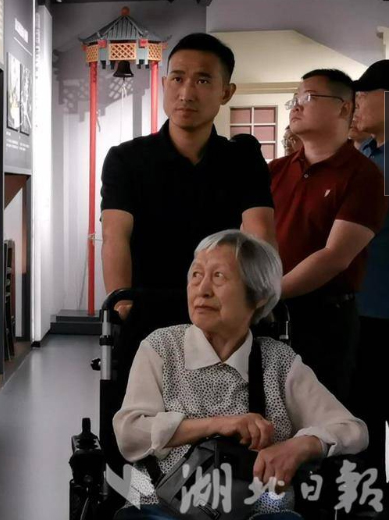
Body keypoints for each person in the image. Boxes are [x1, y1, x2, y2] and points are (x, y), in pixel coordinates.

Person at [113, 230, 368, 520]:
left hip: (258, 512)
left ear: (258, 296)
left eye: (218, 277)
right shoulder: (162, 347)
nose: (202, 289)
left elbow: (352, 429)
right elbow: (129, 434)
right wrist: (219, 424)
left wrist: (299, 446)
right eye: (196, 275)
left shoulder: (278, 362)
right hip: (163, 507)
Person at [100, 32, 276, 362]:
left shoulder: (243, 159)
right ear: (165, 83)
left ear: (226, 92)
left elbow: (260, 232)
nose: (186, 93)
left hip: (224, 311)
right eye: (178, 79)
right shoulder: (127, 159)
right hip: (148, 307)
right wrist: (122, 301)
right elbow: (114, 234)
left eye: (203, 80)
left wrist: (260, 298)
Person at [269, 69, 387, 403]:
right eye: (295, 98)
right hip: (269, 313)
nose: (296, 106)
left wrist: (269, 293)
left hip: (326, 317)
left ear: (343, 108)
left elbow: (335, 256)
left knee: (326, 415)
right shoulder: (275, 171)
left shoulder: (364, 175)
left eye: (308, 97)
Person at [350, 59, 389, 484]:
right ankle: (368, 497)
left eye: (364, 94)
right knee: (364, 411)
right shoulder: (366, 154)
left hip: (384, 306)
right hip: (362, 305)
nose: (356, 103)